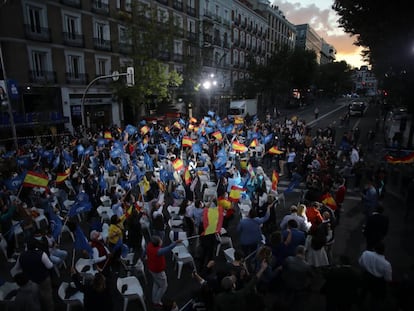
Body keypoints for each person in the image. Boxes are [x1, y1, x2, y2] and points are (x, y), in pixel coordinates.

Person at [14, 239, 54, 311]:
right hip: (43, 279)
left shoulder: (21, 256)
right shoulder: (42, 254)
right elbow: (50, 266)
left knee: (34, 298)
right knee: (47, 297)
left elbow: (16, 269)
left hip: (30, 281)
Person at [146, 235, 182, 309]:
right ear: (157, 243)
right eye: (160, 240)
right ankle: (156, 301)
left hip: (151, 269)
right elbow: (168, 248)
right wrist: (176, 243)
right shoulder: (158, 251)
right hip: (158, 271)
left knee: (156, 283)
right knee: (163, 286)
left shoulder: (149, 246)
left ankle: (154, 299)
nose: (161, 240)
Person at [358, 241, 392, 310]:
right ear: (384, 251)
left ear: (374, 248)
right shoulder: (386, 264)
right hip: (377, 282)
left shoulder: (366, 254)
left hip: (366, 276)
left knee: (363, 291)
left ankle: (360, 304)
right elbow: (388, 278)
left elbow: (360, 262)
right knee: (375, 298)